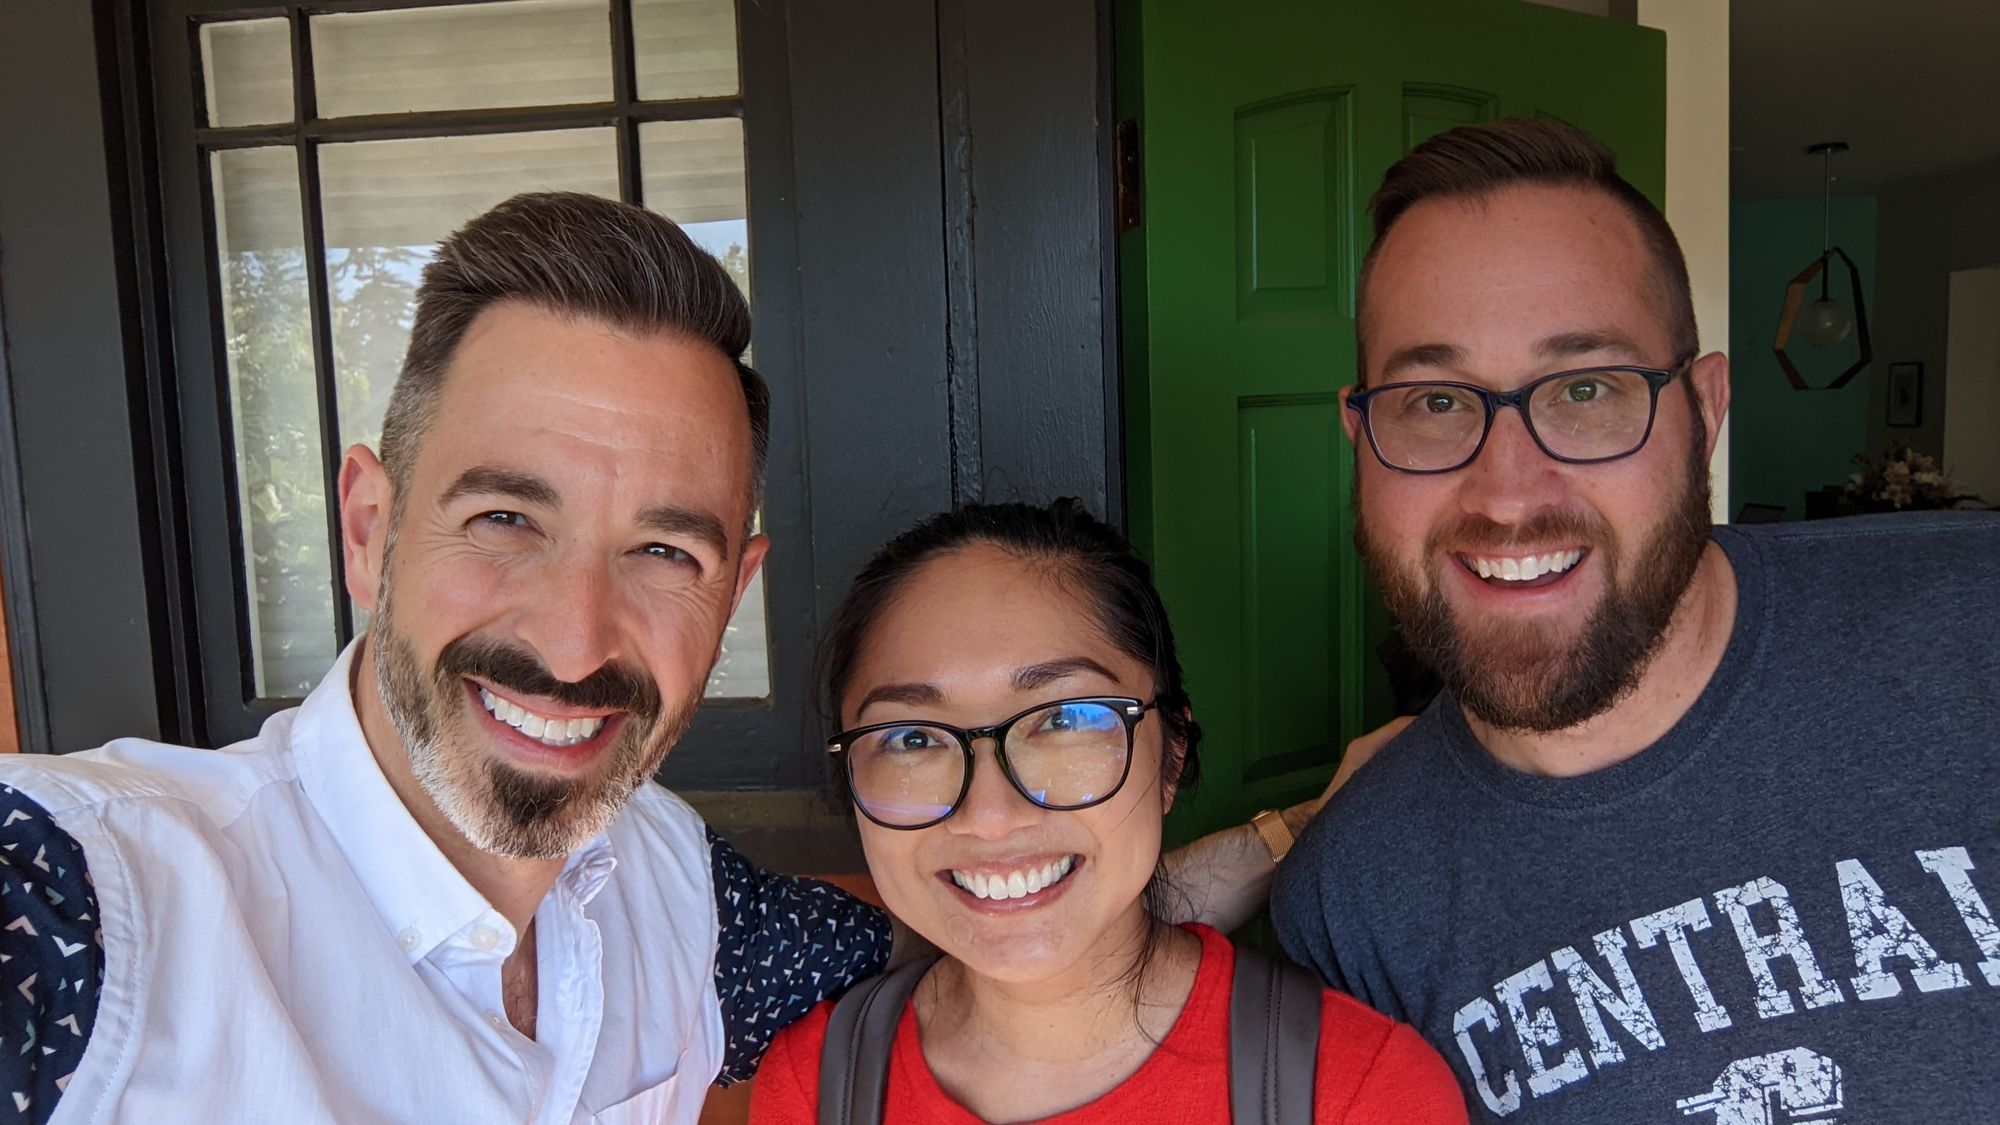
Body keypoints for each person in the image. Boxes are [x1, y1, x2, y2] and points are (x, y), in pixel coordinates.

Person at [0, 192, 1304, 1123]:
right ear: (368, 528)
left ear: (734, 591)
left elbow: (1003, 918)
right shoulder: (83, 908)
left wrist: (1300, 829)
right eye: (505, 519)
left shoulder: (674, 893)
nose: (575, 639)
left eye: (664, 551)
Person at [1271, 117, 2000, 1123]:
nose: (1507, 493)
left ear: (1704, 409)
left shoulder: (1976, 620)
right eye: (1434, 402)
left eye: (1585, 389)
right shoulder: (1350, 900)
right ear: (1358, 434)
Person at [751, 501, 1468, 1122]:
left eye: (1064, 720)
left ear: (1171, 756)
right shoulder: (816, 1085)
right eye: (912, 739)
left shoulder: (1361, 1091)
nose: (990, 814)